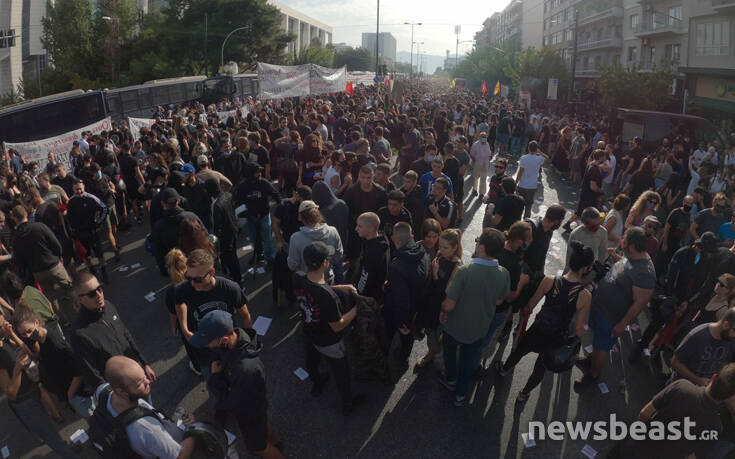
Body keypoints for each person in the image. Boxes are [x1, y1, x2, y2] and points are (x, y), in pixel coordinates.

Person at [496, 241, 594, 401]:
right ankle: (523, 393)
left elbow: (530, 305)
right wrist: (575, 344)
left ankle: (504, 370)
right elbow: (578, 328)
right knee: (540, 368)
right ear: (586, 268)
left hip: (539, 327)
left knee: (520, 350)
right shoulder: (585, 295)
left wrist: (523, 319)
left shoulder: (550, 280)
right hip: (557, 336)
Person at [187, 311, 283, 458]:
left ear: (224, 339)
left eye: (208, 342)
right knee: (263, 420)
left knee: (259, 447)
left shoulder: (244, 370)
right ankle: (275, 442)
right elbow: (217, 352)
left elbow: (228, 402)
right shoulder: (236, 338)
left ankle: (275, 451)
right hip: (257, 404)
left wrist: (215, 377)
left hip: (249, 410)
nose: (206, 346)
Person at [576, 227, 655, 389]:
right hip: (599, 308)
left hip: (610, 317)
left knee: (601, 346)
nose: (620, 242)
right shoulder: (631, 256)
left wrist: (622, 325)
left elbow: (639, 303)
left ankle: (594, 373)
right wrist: (615, 257)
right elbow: (626, 267)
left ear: (632, 246)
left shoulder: (645, 273)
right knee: (597, 342)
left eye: (624, 241)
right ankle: (591, 361)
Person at [292, 242, 366, 415]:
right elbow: (338, 324)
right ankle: (348, 403)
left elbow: (316, 289)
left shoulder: (299, 279)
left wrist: (339, 287)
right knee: (341, 372)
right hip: (329, 341)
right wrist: (357, 308)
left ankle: (317, 383)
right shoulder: (328, 297)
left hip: (310, 333)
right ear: (325, 263)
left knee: (312, 362)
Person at [439, 228, 510, 406]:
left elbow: (449, 304)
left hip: (455, 326)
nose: (476, 243)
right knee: (468, 362)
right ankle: (461, 395)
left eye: (478, 241)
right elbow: (500, 300)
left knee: (449, 351)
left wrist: (443, 311)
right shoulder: (504, 273)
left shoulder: (465, 270)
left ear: (483, 247)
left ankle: (450, 380)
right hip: (480, 328)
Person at [608, 362, 735, 459]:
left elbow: (644, 413)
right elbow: (691, 457)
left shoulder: (682, 387)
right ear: (730, 397)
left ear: (714, 377)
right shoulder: (715, 427)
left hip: (634, 447)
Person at [0, 321, 80, 458]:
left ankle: (69, 450)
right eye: (2, 323)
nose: (7, 323)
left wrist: (12, 334)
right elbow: (11, 393)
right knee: (51, 437)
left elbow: (28, 353)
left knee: (51, 430)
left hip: (33, 392)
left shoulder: (5, 341)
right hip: (25, 403)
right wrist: (18, 369)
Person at [174, 249, 253, 377]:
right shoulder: (183, 289)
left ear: (212, 273)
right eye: (188, 277)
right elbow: (179, 304)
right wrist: (184, 329)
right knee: (213, 383)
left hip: (227, 345)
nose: (193, 283)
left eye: (198, 279)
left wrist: (247, 345)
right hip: (204, 351)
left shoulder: (230, 288)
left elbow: (245, 316)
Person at [99, 356, 197, 459]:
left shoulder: (103, 391)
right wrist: (193, 432)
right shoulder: (147, 430)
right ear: (121, 391)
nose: (148, 381)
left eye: (144, 376)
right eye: (140, 382)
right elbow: (179, 457)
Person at [71, 271, 155, 388]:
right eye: (91, 294)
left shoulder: (108, 306)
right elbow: (92, 374)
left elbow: (126, 335)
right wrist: (115, 397)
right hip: (122, 391)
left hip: (139, 374)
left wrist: (144, 363)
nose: (99, 295)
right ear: (80, 299)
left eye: (99, 288)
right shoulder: (79, 334)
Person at [12, 303, 95, 418]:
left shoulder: (55, 343)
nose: (28, 336)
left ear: (36, 322)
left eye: (29, 331)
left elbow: (79, 369)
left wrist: (70, 394)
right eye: (23, 334)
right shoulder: (39, 338)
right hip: (70, 391)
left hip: (80, 393)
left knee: (97, 423)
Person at [9, 205, 77, 324]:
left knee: (51, 297)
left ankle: (64, 320)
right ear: (26, 213)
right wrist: (58, 256)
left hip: (38, 272)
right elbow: (55, 243)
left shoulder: (16, 238)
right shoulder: (39, 226)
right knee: (70, 287)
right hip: (53, 265)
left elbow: (19, 261)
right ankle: (79, 310)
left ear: (14, 218)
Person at [382, 222, 429, 362]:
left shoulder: (397, 266)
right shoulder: (422, 252)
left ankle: (399, 358)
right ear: (412, 237)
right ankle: (404, 355)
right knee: (408, 336)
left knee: (403, 333)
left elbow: (401, 299)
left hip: (402, 312)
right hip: (417, 305)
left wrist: (401, 321)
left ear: (393, 239)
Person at [415, 229, 462, 368]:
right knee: (429, 331)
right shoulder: (441, 255)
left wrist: (435, 274)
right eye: (440, 246)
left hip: (440, 308)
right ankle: (433, 352)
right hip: (430, 301)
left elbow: (448, 292)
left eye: (445, 247)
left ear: (455, 247)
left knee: (434, 334)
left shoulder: (457, 267)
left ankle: (433, 354)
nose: (440, 249)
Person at [670, 308, 735, 386]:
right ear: (726, 325)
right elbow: (675, 363)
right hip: (680, 388)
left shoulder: (731, 341)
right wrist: (697, 380)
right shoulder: (699, 335)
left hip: (701, 393)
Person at [234, 162, 280, 269]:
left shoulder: (264, 183)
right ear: (250, 174)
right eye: (257, 172)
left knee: (267, 238)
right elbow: (238, 203)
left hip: (264, 215)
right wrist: (248, 215)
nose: (260, 173)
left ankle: (270, 259)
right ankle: (258, 255)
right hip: (250, 218)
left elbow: (276, 194)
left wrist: (280, 208)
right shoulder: (242, 186)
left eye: (260, 171)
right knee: (254, 238)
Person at [287, 200, 344, 283]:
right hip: (327, 280)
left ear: (301, 218)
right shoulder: (333, 231)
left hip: (306, 282)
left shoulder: (295, 238)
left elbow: (292, 265)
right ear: (318, 214)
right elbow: (338, 256)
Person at [152, 188, 202, 276]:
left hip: (178, 269)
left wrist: (165, 271)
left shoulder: (159, 226)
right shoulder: (191, 216)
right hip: (197, 263)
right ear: (178, 201)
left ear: (163, 203)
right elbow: (205, 237)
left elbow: (159, 251)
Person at [67, 179, 109, 282]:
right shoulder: (71, 202)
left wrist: (98, 222)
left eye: (80, 189)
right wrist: (74, 233)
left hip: (92, 231)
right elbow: (69, 219)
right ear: (73, 189)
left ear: (84, 187)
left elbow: (104, 208)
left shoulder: (90, 197)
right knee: (87, 256)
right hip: (81, 234)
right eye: (76, 189)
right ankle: (93, 272)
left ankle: (104, 272)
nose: (79, 191)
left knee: (99, 254)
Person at [523, 205, 566, 276]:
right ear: (556, 220)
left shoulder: (549, 231)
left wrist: (541, 273)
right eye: (561, 220)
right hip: (522, 271)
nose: (561, 224)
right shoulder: (531, 227)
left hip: (534, 271)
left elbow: (543, 253)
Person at [515, 141, 548, 219]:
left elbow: (520, 171)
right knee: (528, 206)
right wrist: (540, 152)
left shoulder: (523, 158)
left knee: (519, 205)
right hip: (532, 186)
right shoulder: (539, 158)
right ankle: (526, 221)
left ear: (528, 148)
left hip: (522, 185)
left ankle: (517, 220)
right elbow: (547, 158)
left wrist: (516, 182)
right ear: (536, 149)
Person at [399, 170, 425, 236]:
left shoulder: (419, 194)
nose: (405, 184)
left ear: (415, 182)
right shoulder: (401, 191)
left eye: (408, 182)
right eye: (404, 181)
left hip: (415, 225)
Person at [469, 132, 492, 199]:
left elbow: (489, 154)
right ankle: (475, 189)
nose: (484, 138)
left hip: (485, 165)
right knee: (475, 178)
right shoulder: (475, 144)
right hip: (477, 164)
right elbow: (471, 154)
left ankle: (481, 193)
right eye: (483, 137)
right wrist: (474, 162)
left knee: (483, 179)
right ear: (480, 137)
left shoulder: (487, 144)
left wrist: (489, 161)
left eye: (485, 137)